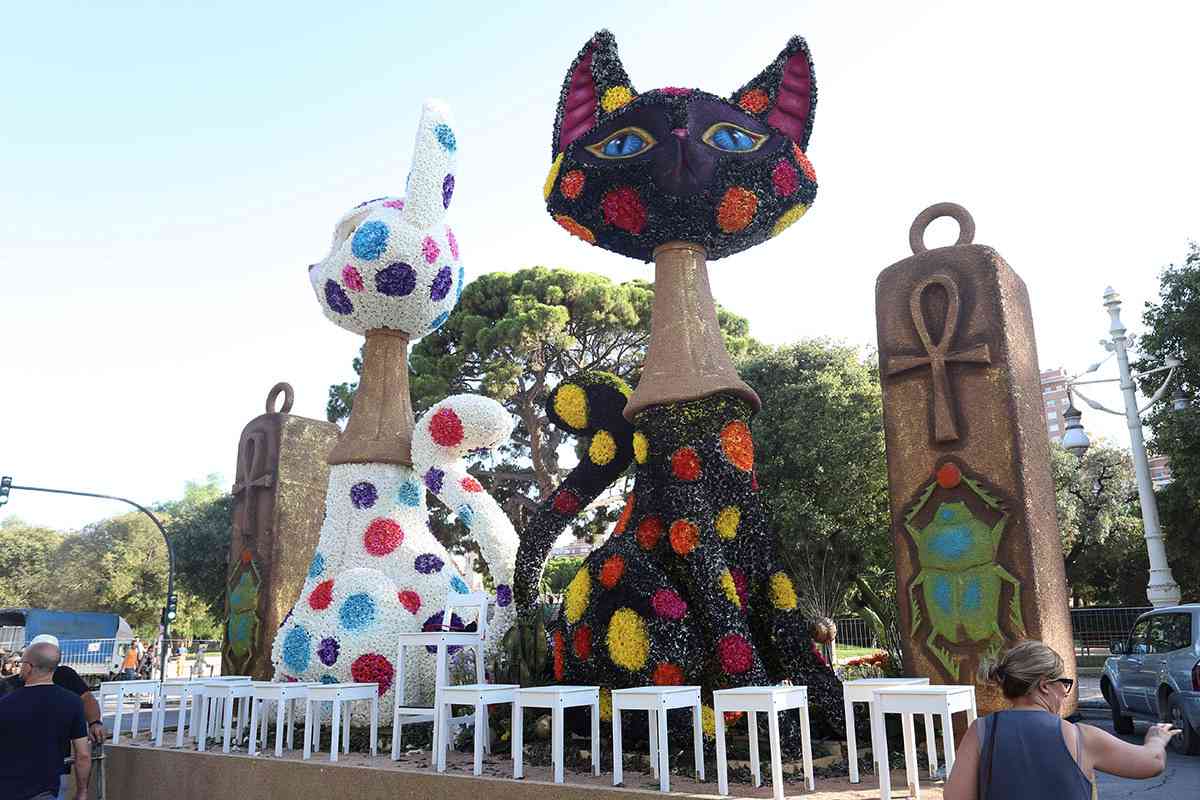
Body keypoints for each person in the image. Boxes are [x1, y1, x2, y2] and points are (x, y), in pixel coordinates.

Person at [944, 640, 1180, 800]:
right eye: (1064, 684)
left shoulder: (981, 731)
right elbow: (1152, 762)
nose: (1065, 694)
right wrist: (1156, 738)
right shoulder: (1080, 737)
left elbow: (955, 797)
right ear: (1045, 686)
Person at [0, 641, 90, 800]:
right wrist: (82, 791)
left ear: (29, 667)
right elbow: (83, 755)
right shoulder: (73, 702)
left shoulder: (6, 703)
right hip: (46, 791)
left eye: (22, 663)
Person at [0, 636, 105, 747]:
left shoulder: (66, 676)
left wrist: (95, 723)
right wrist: (95, 723)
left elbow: (87, 699)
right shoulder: (9, 684)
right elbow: (82, 753)